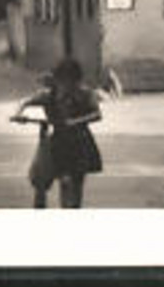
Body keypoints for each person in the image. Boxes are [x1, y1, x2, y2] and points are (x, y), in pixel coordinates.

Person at [13, 58, 103, 208]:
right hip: (57, 142)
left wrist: (75, 122)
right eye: (63, 81)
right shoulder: (49, 95)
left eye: (71, 82)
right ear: (57, 80)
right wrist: (19, 114)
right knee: (43, 179)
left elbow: (97, 115)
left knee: (77, 181)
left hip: (80, 141)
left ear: (77, 81)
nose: (66, 86)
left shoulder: (85, 94)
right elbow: (25, 102)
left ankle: (74, 208)